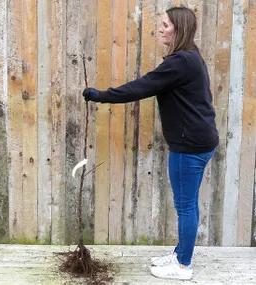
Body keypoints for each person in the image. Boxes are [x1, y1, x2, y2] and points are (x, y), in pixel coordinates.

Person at [82, 6, 219, 281]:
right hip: (200, 140)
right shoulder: (190, 57)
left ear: (178, 29)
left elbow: (140, 87)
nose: (160, 28)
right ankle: (181, 253)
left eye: (165, 25)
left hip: (189, 146)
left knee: (186, 206)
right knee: (188, 203)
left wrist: (100, 95)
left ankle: (183, 266)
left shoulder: (180, 62)